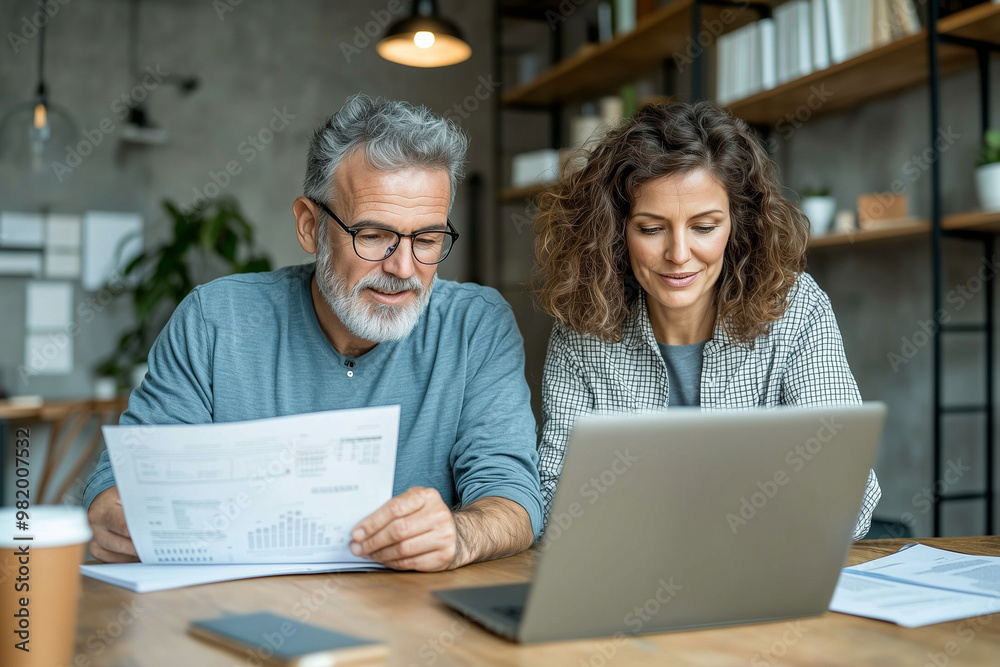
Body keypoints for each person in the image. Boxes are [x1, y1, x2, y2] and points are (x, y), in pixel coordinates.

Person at [84, 94, 543, 570]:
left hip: (409, 621)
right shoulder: (214, 320)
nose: (403, 268)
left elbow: (512, 498)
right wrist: (119, 516)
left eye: (427, 240)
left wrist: (460, 534)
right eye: (373, 236)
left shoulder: (476, 325)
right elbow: (120, 488)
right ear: (310, 226)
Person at [532, 101, 880, 540]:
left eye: (704, 227)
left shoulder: (796, 307)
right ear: (614, 231)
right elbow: (553, 498)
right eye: (651, 228)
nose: (679, 255)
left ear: (739, 224)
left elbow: (850, 493)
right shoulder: (583, 328)